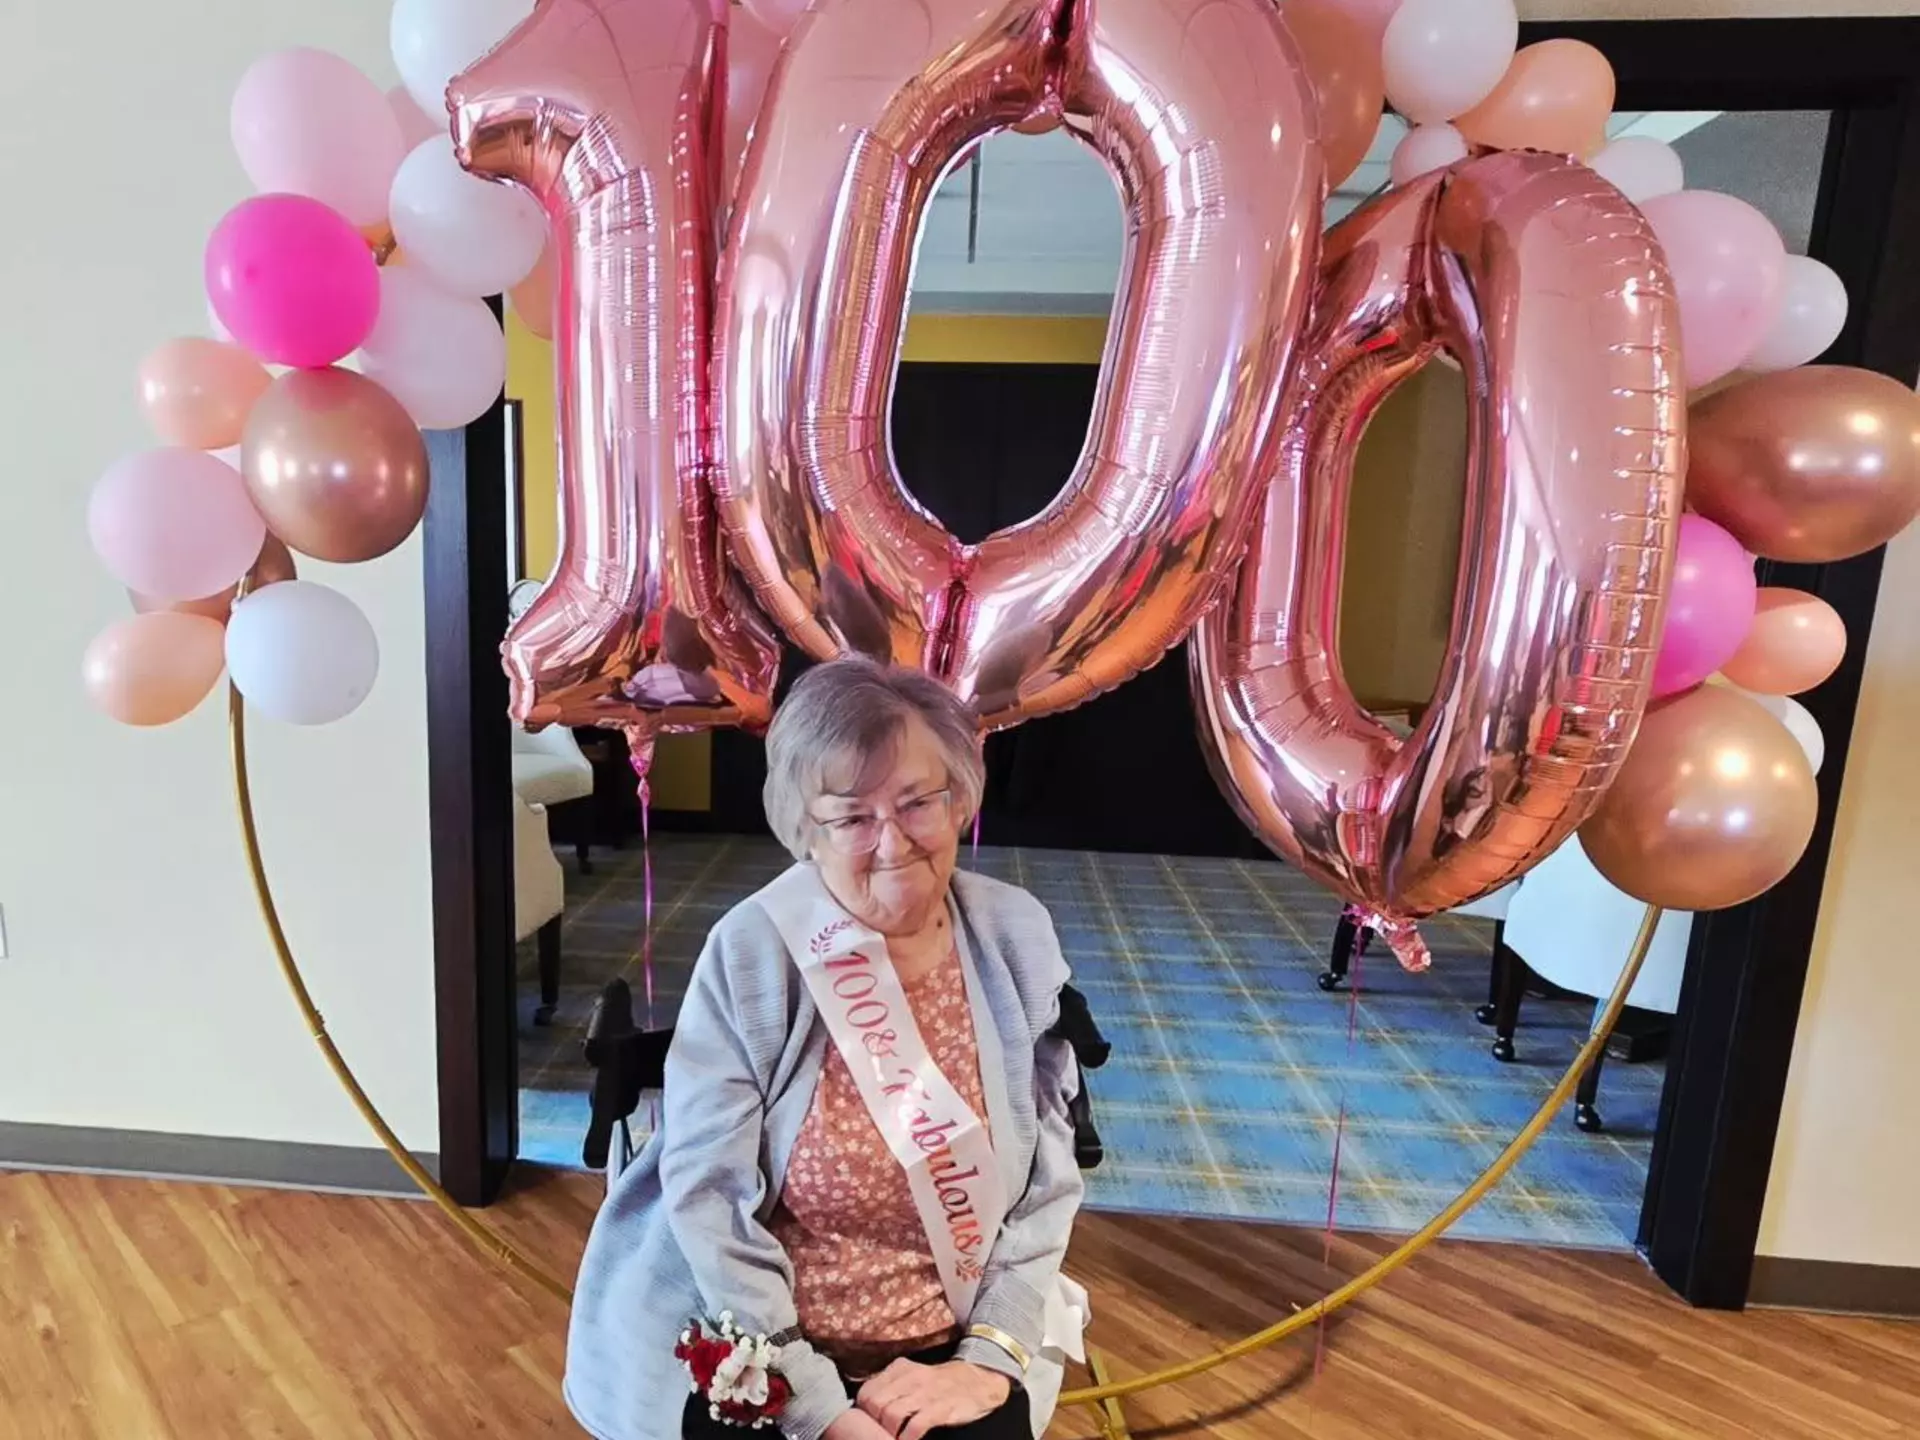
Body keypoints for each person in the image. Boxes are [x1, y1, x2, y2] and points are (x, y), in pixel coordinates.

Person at [565, 657, 1086, 1440]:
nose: (892, 841)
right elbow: (709, 1195)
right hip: (763, 1342)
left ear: (959, 800)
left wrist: (987, 1358)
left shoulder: (1015, 935)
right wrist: (815, 1403)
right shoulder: (754, 951)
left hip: (955, 1344)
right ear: (807, 831)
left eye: (918, 802)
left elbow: (1048, 1176)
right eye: (850, 816)